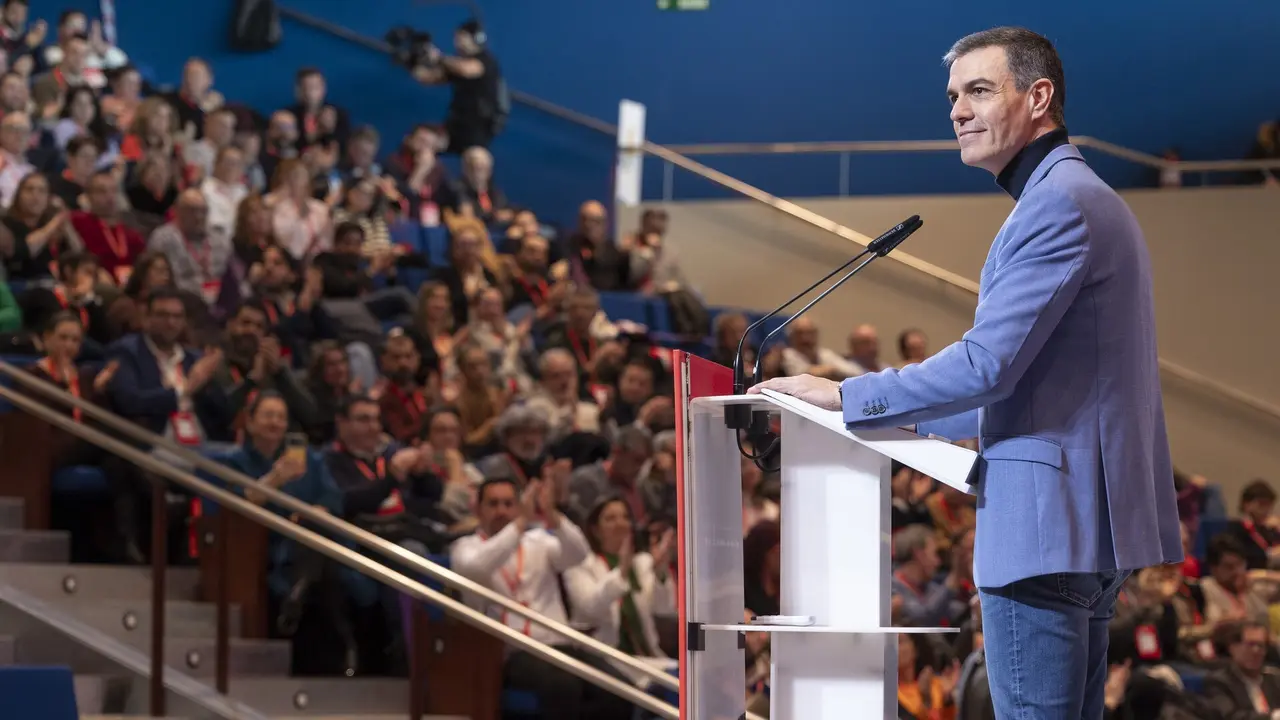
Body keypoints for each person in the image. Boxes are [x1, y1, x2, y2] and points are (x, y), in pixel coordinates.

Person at [750, 27, 1181, 720]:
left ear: (1038, 97)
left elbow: (986, 365)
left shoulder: (1057, 204)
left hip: (1044, 532)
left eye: (979, 90)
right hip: (1077, 530)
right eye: (953, 96)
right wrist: (883, 414)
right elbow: (1027, 387)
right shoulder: (1081, 195)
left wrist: (848, 393)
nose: (957, 111)